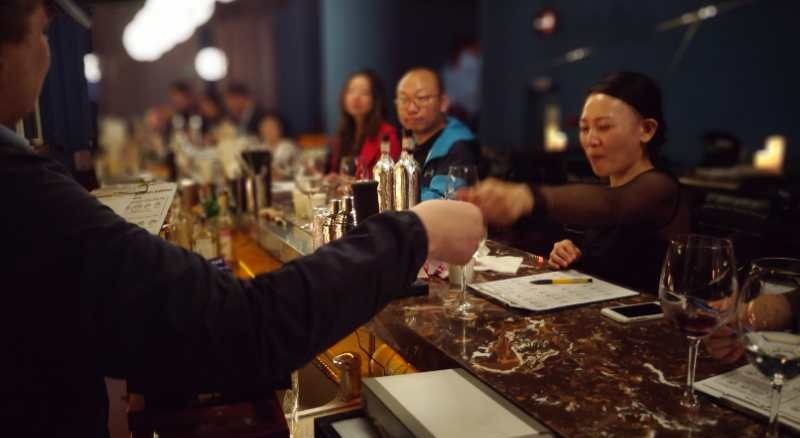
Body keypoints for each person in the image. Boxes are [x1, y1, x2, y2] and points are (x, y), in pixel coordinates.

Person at [0, 1, 485, 435]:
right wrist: (414, 232)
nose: (47, 52)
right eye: (42, 30)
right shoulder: (24, 191)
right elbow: (244, 325)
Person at [464, 72, 689, 293]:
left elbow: (611, 205)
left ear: (647, 130)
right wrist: (573, 254)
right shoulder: (605, 188)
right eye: (584, 128)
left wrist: (525, 197)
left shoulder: (661, 189)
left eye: (604, 127)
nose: (591, 140)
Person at [395, 67, 481, 200]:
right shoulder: (407, 142)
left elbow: (443, 199)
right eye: (404, 99)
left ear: (443, 103)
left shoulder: (459, 146)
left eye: (421, 98)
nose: (411, 108)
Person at [329, 69, 400, 177]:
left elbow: (386, 179)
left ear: (375, 99)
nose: (356, 97)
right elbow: (337, 172)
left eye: (365, 93)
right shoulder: (344, 132)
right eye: (351, 91)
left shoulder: (387, 135)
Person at [257, 111, 299, 179]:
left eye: (271, 127)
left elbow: (285, 169)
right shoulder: (259, 148)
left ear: (280, 129)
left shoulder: (288, 146)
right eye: (265, 127)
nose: (268, 131)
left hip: (287, 181)